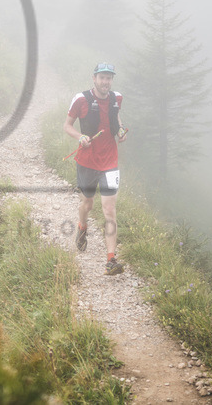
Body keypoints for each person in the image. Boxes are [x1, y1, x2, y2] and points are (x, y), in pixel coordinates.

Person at [64, 62, 126, 275]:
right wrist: (80, 136)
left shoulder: (116, 98)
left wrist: (120, 131)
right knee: (87, 204)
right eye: (102, 78)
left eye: (109, 78)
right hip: (87, 161)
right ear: (94, 78)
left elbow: (115, 117)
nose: (105, 82)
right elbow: (67, 125)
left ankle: (111, 259)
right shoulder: (81, 99)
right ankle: (82, 227)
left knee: (109, 209)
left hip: (110, 162)